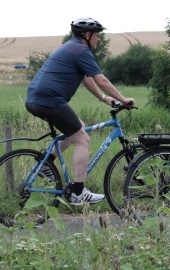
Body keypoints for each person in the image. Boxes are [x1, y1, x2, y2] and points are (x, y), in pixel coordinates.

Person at [25, 18, 135, 205]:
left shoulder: (71, 47)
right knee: (82, 139)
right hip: (50, 100)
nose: (99, 39)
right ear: (87, 35)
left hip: (35, 99)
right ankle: (78, 191)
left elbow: (87, 79)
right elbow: (101, 80)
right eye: (97, 35)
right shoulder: (82, 50)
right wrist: (124, 100)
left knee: (78, 127)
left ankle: (45, 166)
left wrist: (103, 98)